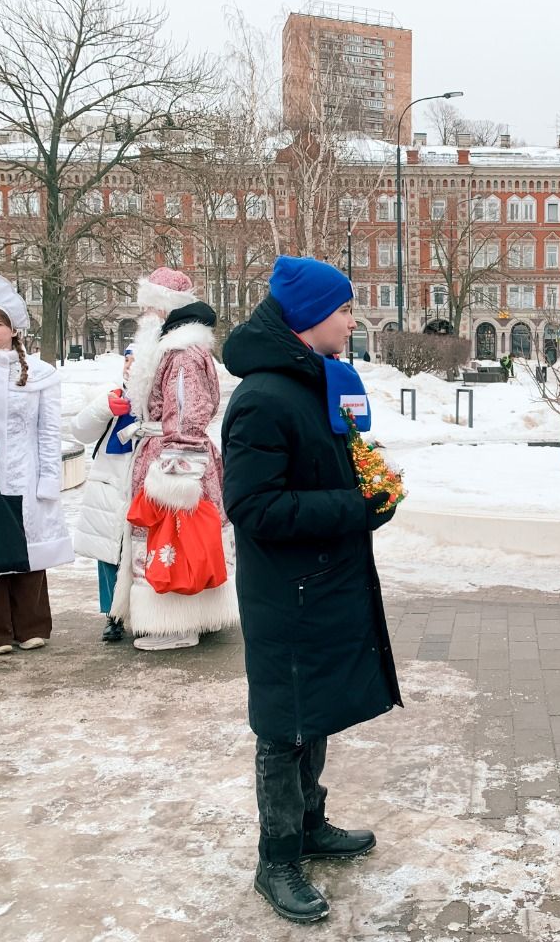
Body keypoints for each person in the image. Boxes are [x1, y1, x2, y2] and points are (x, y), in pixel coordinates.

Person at [221, 256, 401, 925]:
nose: (353, 321)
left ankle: (310, 824)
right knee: (286, 725)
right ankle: (277, 859)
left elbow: (336, 462)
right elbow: (254, 507)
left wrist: (372, 483)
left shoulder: (317, 381)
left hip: (321, 581)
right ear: (308, 318)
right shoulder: (263, 397)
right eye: (345, 310)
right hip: (287, 591)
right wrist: (355, 507)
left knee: (314, 710)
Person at [111, 268, 238, 650]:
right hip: (165, 454)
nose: (144, 313)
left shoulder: (180, 353)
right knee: (174, 537)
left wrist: (176, 472)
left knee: (175, 538)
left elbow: (187, 414)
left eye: (150, 305)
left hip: (174, 461)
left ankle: (179, 623)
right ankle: (182, 617)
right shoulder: (173, 350)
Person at [0, 271, 73, 655]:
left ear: (13, 328)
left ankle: (31, 625)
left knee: (30, 548)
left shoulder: (40, 374)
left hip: (28, 473)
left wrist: (48, 481)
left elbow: (49, 430)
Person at [70, 344, 138, 642]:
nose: (130, 365)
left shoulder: (161, 397)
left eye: (137, 359)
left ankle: (143, 613)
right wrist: (105, 407)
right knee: (109, 551)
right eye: (127, 359)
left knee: (141, 553)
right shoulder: (111, 394)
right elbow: (80, 431)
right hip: (109, 485)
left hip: (144, 486)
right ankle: (113, 614)